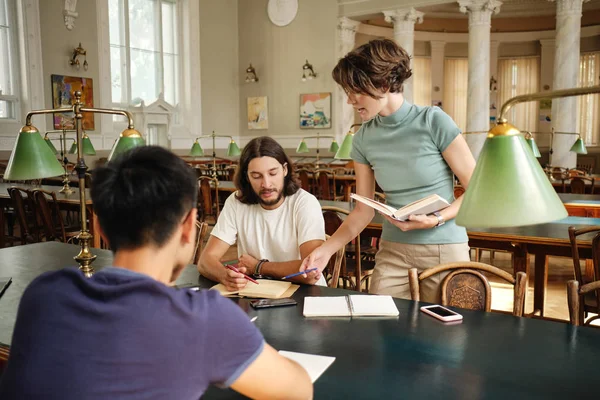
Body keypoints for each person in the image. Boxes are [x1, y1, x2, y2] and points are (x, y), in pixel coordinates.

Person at [0, 146, 313, 400]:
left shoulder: (43, 294)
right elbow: (298, 391)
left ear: (99, 228)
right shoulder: (207, 320)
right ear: (190, 227)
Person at [300, 39, 476, 303]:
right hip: (392, 253)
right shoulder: (362, 139)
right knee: (383, 331)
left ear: (382, 84)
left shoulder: (433, 121)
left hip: (444, 249)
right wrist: (326, 251)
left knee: (443, 339)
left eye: (354, 91)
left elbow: (476, 188)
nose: (349, 100)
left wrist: (437, 218)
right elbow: (363, 210)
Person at [198, 136, 325, 291]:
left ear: (285, 170)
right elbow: (205, 261)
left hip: (304, 294)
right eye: (256, 176)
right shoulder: (236, 202)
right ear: (247, 176)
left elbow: (311, 272)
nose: (266, 184)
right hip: (257, 293)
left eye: (273, 173)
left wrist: (259, 267)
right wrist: (224, 276)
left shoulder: (305, 203)